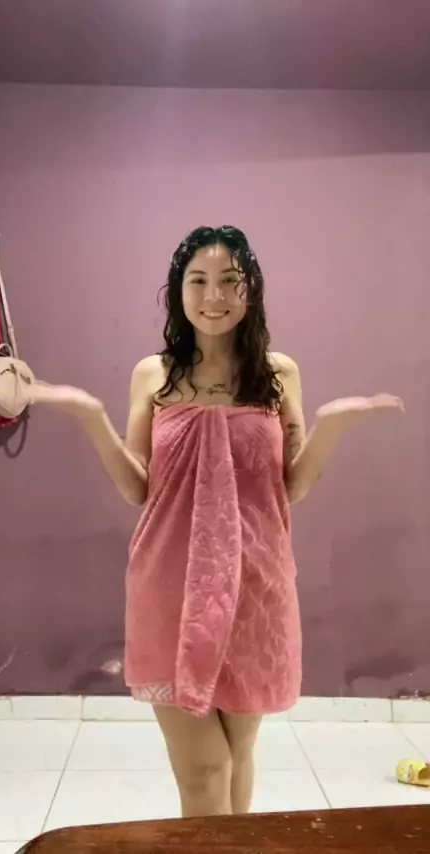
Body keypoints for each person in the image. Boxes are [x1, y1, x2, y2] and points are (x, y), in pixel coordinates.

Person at [29, 225, 404, 818]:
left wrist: (332, 424)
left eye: (230, 281)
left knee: (237, 754)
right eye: (198, 280)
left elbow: (290, 486)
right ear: (177, 290)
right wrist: (90, 415)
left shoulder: (278, 374)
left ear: (251, 289)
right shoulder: (153, 374)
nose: (213, 296)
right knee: (205, 770)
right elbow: (136, 487)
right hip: (171, 584)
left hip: (256, 585)